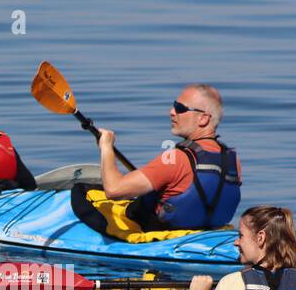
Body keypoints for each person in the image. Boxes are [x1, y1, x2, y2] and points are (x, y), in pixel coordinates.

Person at [94, 84, 242, 230]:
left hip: (167, 236)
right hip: (211, 233)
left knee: (82, 195)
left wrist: (106, 146)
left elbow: (113, 190)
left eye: (180, 108)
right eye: (174, 106)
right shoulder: (232, 160)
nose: (172, 112)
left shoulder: (176, 159)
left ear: (203, 119)